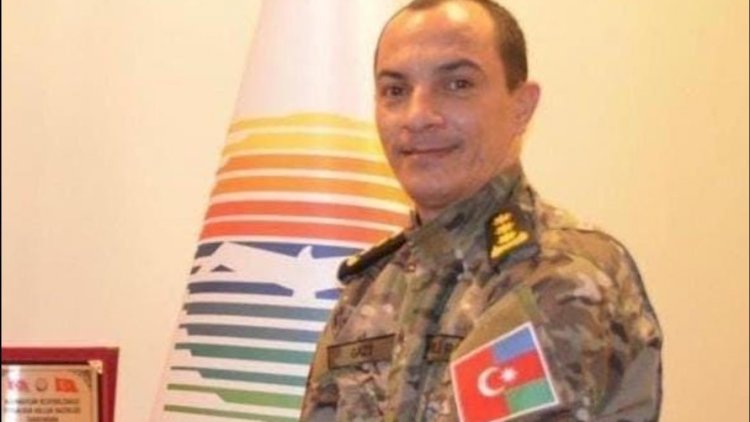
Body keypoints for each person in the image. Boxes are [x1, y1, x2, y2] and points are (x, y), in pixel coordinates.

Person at [301, 0, 662, 420]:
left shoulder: (557, 274)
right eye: (395, 91)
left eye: (457, 84)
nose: (417, 116)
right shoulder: (369, 287)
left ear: (521, 106)